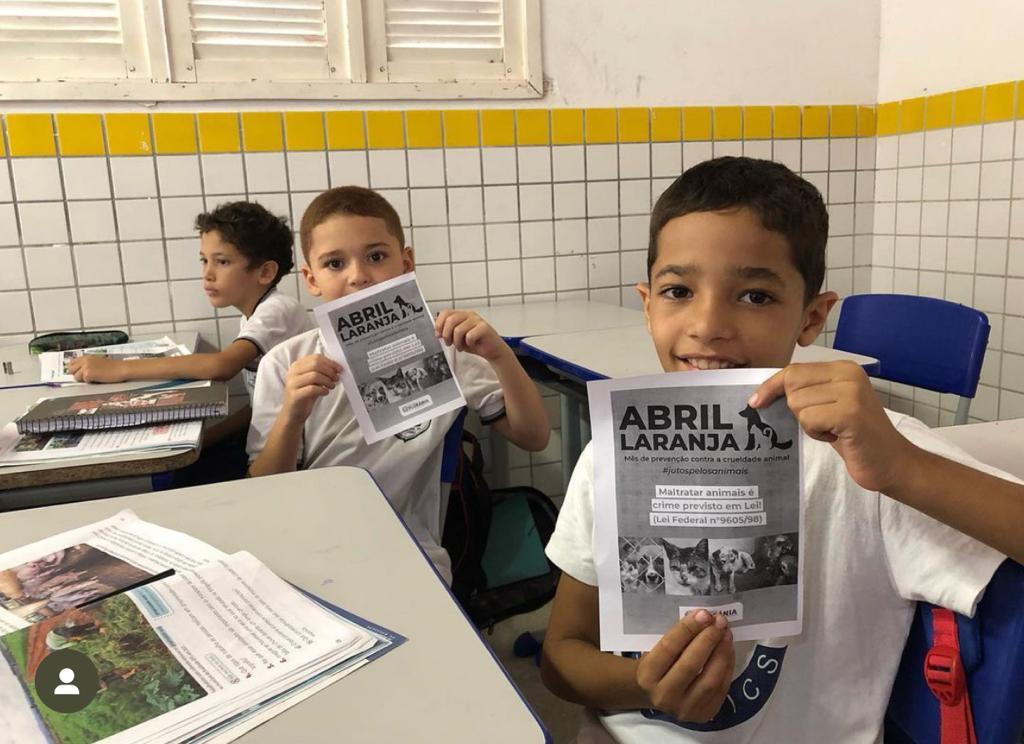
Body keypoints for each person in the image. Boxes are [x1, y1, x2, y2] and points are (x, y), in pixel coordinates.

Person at [541, 157, 1023, 743]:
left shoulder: (870, 460)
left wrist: (905, 467)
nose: (708, 324)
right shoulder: (609, 454)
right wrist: (643, 683)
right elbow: (561, 658)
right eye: (678, 291)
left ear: (812, 316)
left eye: (754, 295)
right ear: (648, 305)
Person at [247, 186, 550, 582]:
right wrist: (292, 415)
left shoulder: (447, 348)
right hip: (308, 553)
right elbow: (264, 492)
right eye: (335, 263)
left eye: (376, 256)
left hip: (413, 555)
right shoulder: (285, 364)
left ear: (406, 263)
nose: (358, 277)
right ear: (311, 279)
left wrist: (500, 356)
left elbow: (534, 437)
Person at [68, 202, 312, 479]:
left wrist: (118, 369)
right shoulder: (254, 316)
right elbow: (259, 406)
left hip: (291, 456)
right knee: (179, 468)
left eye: (222, 261)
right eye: (204, 260)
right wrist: (202, 441)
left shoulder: (278, 310)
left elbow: (221, 366)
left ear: (265, 272)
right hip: (270, 443)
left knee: (174, 480)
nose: (208, 273)